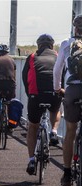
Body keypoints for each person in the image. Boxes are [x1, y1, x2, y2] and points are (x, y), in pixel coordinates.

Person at [22, 34, 62, 175]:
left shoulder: (32, 57)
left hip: (36, 95)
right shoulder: (58, 56)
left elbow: (24, 77)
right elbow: (62, 75)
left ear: (38, 45)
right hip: (53, 94)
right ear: (52, 45)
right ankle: (54, 132)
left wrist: (30, 95)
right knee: (56, 110)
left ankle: (32, 159)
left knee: (33, 126)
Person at [53, 14, 82, 186]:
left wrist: (57, 88)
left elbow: (57, 70)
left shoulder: (66, 43)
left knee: (70, 131)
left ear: (75, 28)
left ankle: (67, 173)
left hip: (72, 89)